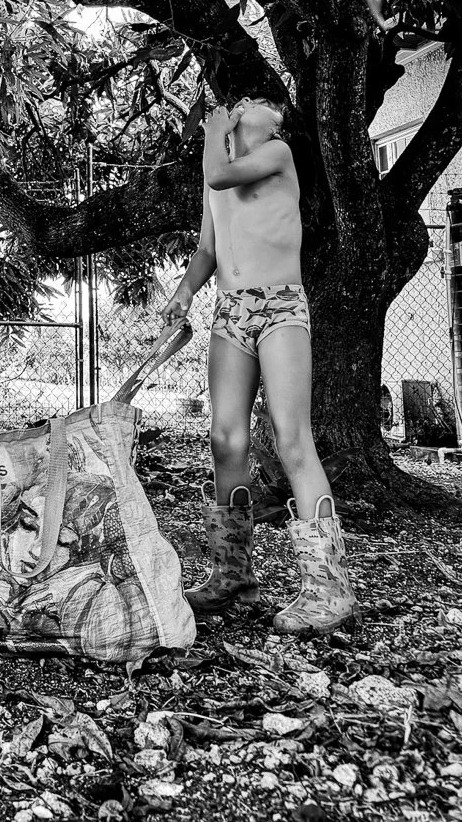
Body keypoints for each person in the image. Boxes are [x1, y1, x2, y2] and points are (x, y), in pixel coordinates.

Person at [162, 98, 357, 635]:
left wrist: (212, 130)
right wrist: (184, 292)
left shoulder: (277, 152)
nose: (244, 104)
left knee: (292, 438)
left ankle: (329, 590)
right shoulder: (217, 172)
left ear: (275, 125)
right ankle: (233, 575)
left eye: (258, 104)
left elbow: (219, 174)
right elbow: (208, 248)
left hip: (280, 307)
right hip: (231, 311)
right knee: (226, 439)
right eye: (241, 101)